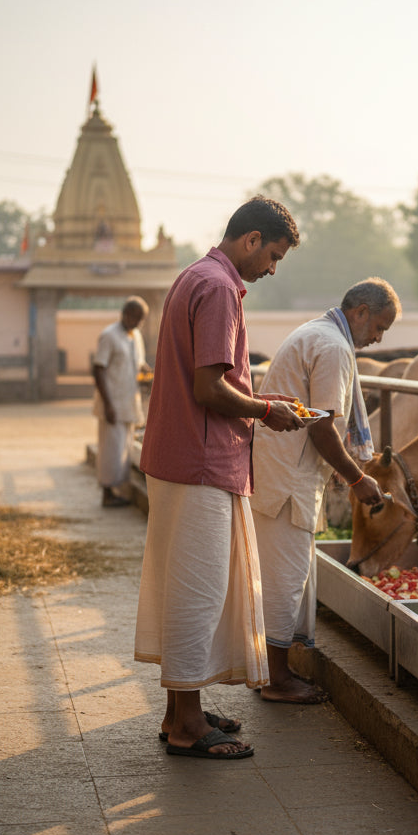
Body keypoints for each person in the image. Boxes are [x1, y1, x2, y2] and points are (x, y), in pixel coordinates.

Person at [134, 196, 304, 760]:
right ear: (251, 240)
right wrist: (267, 411)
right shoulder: (219, 288)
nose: (272, 269)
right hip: (202, 462)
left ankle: (179, 711)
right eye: (273, 256)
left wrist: (261, 403)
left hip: (181, 457)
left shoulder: (195, 276)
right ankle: (186, 725)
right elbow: (209, 389)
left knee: (185, 587)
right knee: (199, 593)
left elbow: (207, 381)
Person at [251, 278, 400, 703]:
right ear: (360, 312)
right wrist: (357, 478)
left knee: (284, 574)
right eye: (379, 327)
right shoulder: (333, 347)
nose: (378, 338)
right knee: (285, 578)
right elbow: (322, 427)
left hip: (283, 471)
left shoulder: (319, 333)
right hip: (287, 479)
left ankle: (274, 671)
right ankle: (275, 679)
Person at [92, 296, 151, 507]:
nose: (138, 323)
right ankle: (107, 494)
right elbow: (98, 369)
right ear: (125, 314)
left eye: (141, 319)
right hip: (112, 404)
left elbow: (139, 364)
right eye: (136, 317)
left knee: (124, 448)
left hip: (129, 402)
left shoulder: (136, 336)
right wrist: (108, 404)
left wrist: (150, 375)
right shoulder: (109, 335)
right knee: (110, 449)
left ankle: (118, 491)